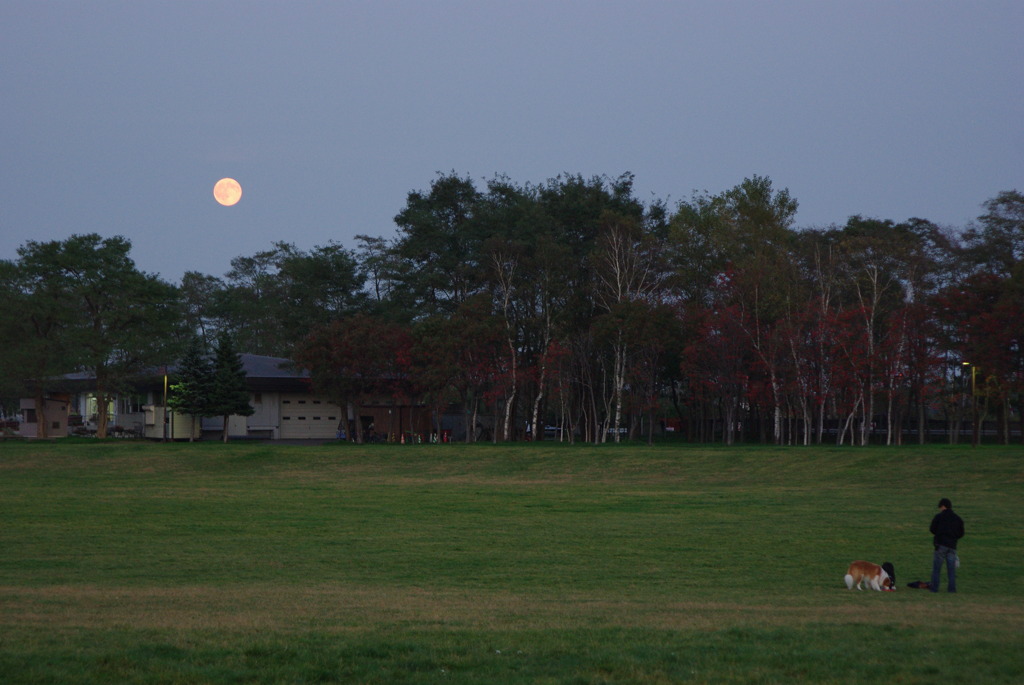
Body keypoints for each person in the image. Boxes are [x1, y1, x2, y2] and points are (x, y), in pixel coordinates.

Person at [929, 497, 965, 593]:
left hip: (940, 545)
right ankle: (952, 589)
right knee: (951, 570)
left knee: (936, 569)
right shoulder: (957, 518)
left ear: (943, 506)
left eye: (940, 507)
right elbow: (961, 533)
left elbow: (932, 529)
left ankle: (934, 588)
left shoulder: (938, 517)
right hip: (952, 546)